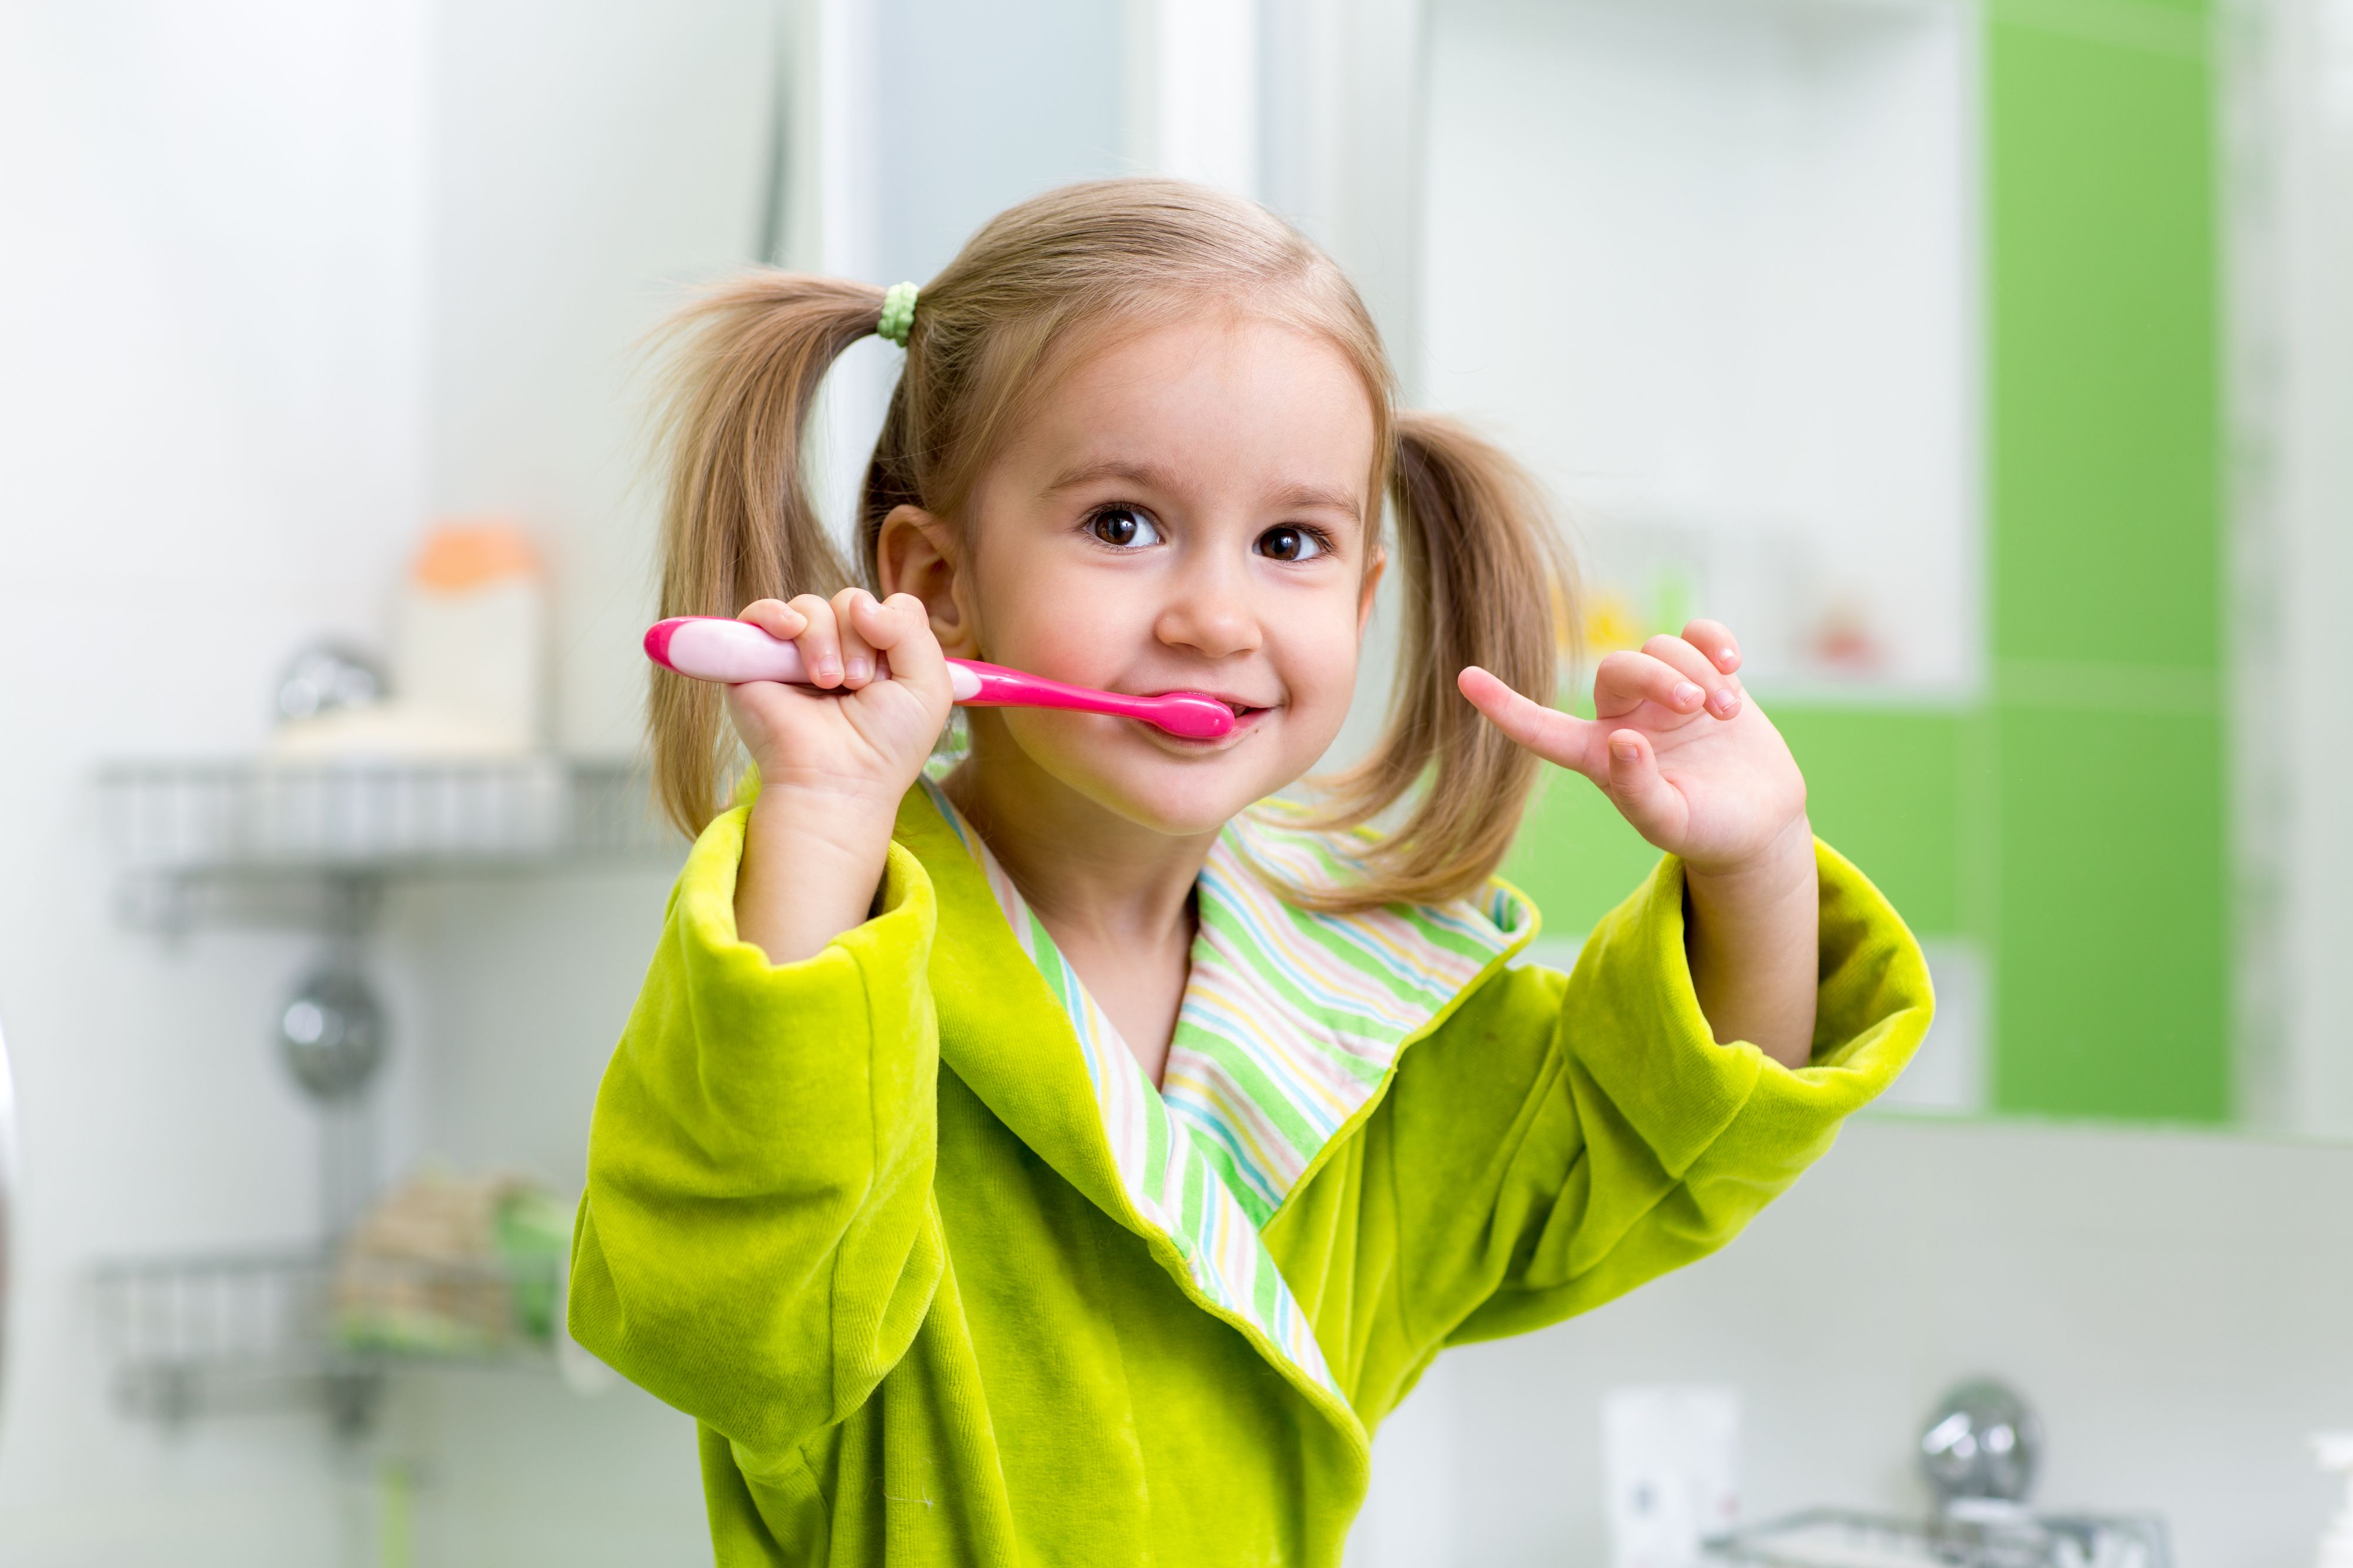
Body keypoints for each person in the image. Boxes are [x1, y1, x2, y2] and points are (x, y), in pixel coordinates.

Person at [570, 178, 1929, 1565]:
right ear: (936, 579)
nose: (1215, 618)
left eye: (1289, 544)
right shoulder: (831, 931)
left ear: (1359, 598)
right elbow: (726, 1323)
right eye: (1120, 523)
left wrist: (1753, 861)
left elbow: (1658, 1137)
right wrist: (823, 810)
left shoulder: (1372, 1006)